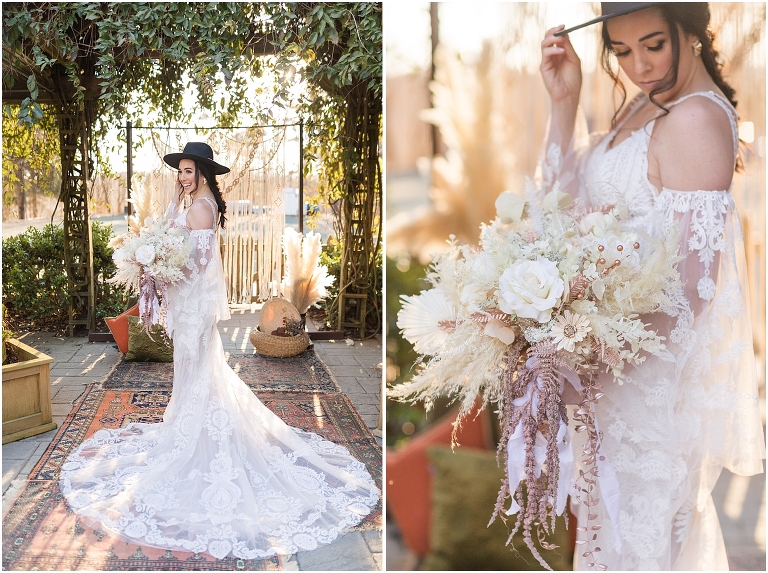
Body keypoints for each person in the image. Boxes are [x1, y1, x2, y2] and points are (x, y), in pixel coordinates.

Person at [59, 142, 379, 560]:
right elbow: (181, 250)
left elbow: (196, 264)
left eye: (189, 171)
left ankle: (199, 437)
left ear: (205, 173)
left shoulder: (202, 209)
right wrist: (156, 260)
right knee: (191, 369)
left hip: (194, 304)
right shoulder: (192, 203)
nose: (183, 176)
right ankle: (186, 427)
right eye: (181, 170)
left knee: (196, 368)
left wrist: (158, 269)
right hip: (186, 302)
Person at [539, 3, 764, 570]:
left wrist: (588, 354)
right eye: (621, 51)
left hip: (645, 382)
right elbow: (556, 212)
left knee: (639, 547)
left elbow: (693, 289)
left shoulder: (694, 120)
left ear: (691, 33)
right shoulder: (646, 103)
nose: (637, 65)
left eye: (653, 44)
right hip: (608, 372)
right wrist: (563, 106)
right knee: (604, 542)